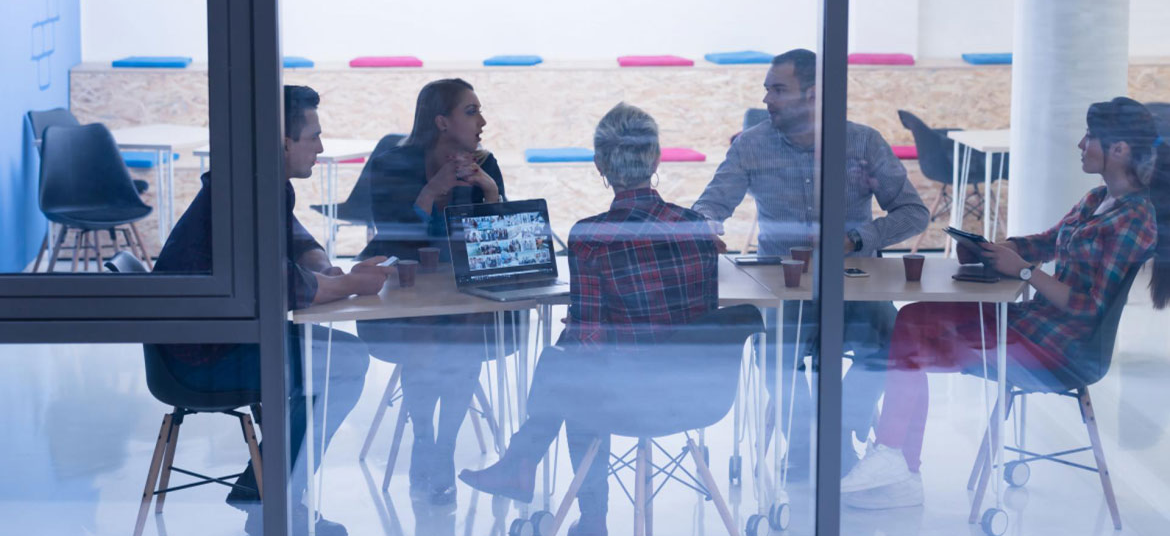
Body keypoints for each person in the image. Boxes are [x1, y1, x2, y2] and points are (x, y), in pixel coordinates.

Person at [840, 97, 1169, 509]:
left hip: (1061, 350)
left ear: (1119, 149)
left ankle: (897, 463)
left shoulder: (1134, 220)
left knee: (915, 331)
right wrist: (996, 249)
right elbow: (1046, 242)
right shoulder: (1096, 200)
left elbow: (1089, 307)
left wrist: (1025, 272)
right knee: (914, 319)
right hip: (1034, 325)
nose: (1081, 144)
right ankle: (896, 462)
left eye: (1090, 138)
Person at [458, 103, 720, 536]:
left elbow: (588, 336)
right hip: (700, 392)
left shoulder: (593, 235)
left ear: (599, 164)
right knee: (573, 367)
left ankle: (577, 506)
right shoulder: (696, 226)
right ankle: (523, 465)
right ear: (656, 157)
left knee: (567, 366)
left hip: (632, 400)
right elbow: (704, 317)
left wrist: (565, 349)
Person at [153, 85, 393, 536]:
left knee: (336, 358)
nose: (321, 147)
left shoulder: (257, 181)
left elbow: (295, 241)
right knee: (346, 360)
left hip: (224, 338)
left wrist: (328, 267)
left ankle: (266, 484)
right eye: (313, 136)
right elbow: (277, 282)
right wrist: (349, 285)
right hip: (202, 357)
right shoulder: (246, 193)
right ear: (283, 142)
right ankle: (274, 493)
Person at [691, 48, 930, 474]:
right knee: (774, 356)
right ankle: (805, 446)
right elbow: (710, 206)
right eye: (767, 90)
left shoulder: (863, 141)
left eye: (778, 90)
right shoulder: (751, 145)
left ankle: (837, 431)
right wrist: (707, 228)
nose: (767, 99)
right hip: (783, 286)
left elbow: (914, 212)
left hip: (852, 283)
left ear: (813, 95)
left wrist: (860, 238)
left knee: (893, 341)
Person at [356, 78, 507, 506]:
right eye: (471, 111)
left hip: (462, 295)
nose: (483, 121)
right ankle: (425, 440)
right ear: (441, 121)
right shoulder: (391, 163)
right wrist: (431, 190)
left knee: (462, 331)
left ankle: (443, 446)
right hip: (402, 295)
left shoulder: (485, 165)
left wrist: (490, 191)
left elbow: (496, 245)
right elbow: (390, 234)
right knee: (425, 331)